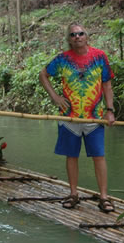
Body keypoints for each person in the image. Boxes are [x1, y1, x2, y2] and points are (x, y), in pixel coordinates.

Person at [39, 23, 116, 213]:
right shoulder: (63, 59)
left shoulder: (99, 57)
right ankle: (73, 194)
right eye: (73, 34)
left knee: (98, 156)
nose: (77, 37)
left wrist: (110, 109)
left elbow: (107, 85)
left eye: (81, 33)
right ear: (69, 39)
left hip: (95, 117)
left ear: (87, 36)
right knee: (71, 156)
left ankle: (104, 197)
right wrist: (55, 97)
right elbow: (43, 75)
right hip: (69, 117)